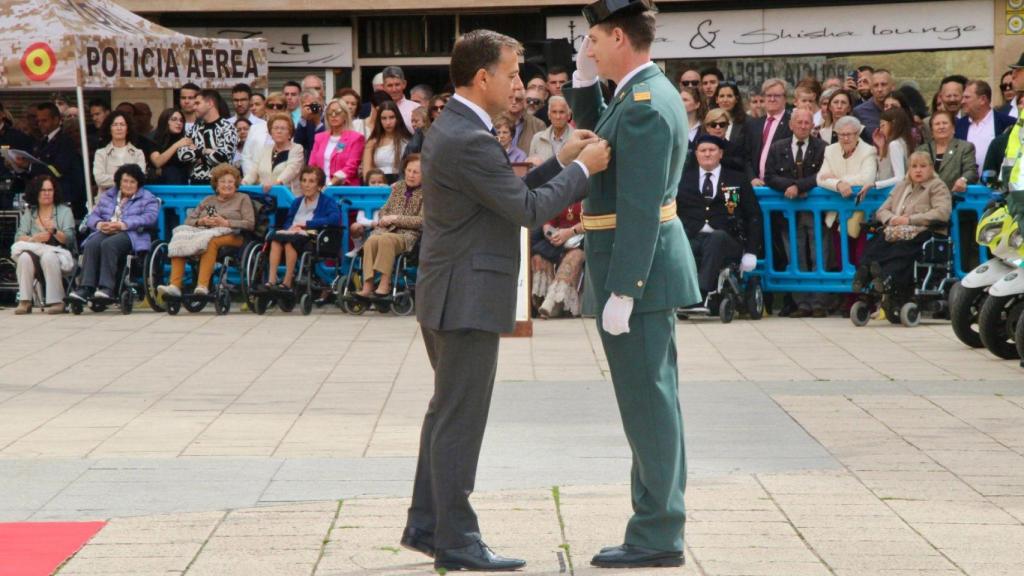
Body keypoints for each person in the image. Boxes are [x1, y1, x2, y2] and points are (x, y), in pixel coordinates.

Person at [405, 29, 608, 572]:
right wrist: (585, 170)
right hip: (464, 295)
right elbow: (523, 210)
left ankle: (428, 524)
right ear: (482, 78)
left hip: (450, 291)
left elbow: (501, 191)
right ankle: (456, 539)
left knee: (445, 413)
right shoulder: (468, 135)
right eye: (513, 73)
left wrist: (560, 159)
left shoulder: (458, 126)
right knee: (460, 420)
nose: (519, 84)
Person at [565, 1, 699, 568]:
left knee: (648, 406)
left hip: (636, 275)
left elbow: (641, 205)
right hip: (638, 269)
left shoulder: (644, 103)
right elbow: (605, 134)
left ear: (620, 36)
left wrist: (624, 289)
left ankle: (657, 532)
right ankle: (656, 520)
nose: (589, 49)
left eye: (594, 40)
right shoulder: (640, 91)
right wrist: (582, 85)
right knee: (653, 402)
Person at [677, 134, 761, 304]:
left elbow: (753, 216)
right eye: (703, 150)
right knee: (680, 244)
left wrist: (751, 251)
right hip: (693, 236)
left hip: (728, 239)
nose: (707, 154)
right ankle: (682, 293)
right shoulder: (683, 180)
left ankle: (699, 294)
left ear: (721, 153)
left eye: (712, 150)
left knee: (717, 238)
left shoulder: (736, 179)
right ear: (696, 154)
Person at [852, 151, 951, 294]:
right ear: (908, 170)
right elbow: (882, 210)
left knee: (902, 247)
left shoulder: (937, 186)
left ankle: (886, 278)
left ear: (931, 168)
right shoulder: (902, 186)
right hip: (897, 229)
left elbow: (941, 212)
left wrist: (910, 219)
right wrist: (892, 219)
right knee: (875, 242)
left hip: (924, 231)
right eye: (914, 166)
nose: (918, 170)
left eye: (923, 166)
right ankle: (864, 274)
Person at [157, 164, 255, 299]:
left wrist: (226, 223)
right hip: (205, 232)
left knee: (210, 241)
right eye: (223, 181)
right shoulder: (209, 200)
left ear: (236, 183)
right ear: (216, 184)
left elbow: (249, 223)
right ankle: (175, 286)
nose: (227, 185)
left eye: (230, 182)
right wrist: (201, 221)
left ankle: (202, 286)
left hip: (234, 235)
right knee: (180, 237)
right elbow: (188, 221)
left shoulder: (243, 198)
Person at [766, 109, 828, 317]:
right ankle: (801, 302)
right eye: (799, 122)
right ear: (791, 125)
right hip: (788, 213)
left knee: (819, 254)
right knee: (796, 255)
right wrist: (791, 187)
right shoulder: (777, 147)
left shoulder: (823, 148)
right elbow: (769, 176)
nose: (803, 126)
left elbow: (824, 173)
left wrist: (801, 187)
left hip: (815, 212)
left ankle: (819, 302)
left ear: (812, 125)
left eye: (807, 122)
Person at [70, 164, 159, 303]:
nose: (128, 185)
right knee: (91, 243)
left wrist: (123, 225)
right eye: (125, 181)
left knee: (108, 244)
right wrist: (100, 224)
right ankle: (86, 287)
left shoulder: (147, 198)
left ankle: (106, 288)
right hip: (107, 230)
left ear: (138, 184)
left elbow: (150, 218)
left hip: (131, 234)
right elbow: (93, 216)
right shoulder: (109, 195)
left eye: (132, 182)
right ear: (119, 182)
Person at [817, 115, 878, 282]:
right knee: (842, 259)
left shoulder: (869, 151)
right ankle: (847, 300)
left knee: (860, 259)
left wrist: (837, 178)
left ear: (857, 134)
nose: (845, 138)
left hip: (862, 215)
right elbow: (820, 178)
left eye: (849, 134)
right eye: (841, 134)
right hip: (837, 215)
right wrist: (837, 185)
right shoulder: (830, 150)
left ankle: (864, 300)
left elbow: (867, 179)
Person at [354, 154, 424, 298]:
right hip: (387, 230)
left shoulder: (428, 192)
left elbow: (422, 221)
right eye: (408, 171)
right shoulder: (398, 187)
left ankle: (385, 284)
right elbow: (384, 210)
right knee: (372, 239)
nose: (411, 175)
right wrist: (384, 217)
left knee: (385, 239)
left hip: (408, 235)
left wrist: (396, 218)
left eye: (416, 172)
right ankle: (368, 284)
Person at [264, 166, 341, 289]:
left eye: (311, 181)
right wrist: (290, 228)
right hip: (294, 233)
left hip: (313, 238)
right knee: (275, 239)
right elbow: (289, 221)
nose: (306, 185)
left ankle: (287, 281)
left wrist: (308, 224)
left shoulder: (327, 201)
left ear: (319, 185)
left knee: (290, 242)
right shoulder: (297, 202)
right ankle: (271, 280)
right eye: (304, 181)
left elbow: (334, 219)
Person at [11, 175, 75, 314]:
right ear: (36, 192)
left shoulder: (64, 211)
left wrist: (54, 231)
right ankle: (25, 301)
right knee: (24, 257)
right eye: (42, 190)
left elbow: (69, 239)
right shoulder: (30, 212)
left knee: (48, 256)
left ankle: (57, 301)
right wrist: (35, 239)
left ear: (55, 192)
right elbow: (18, 237)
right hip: (35, 254)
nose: (46, 193)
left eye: (50, 190)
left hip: (59, 256)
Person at [15, 103, 86, 217]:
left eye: (44, 121)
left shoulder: (65, 141)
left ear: (56, 120)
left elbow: (57, 171)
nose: (40, 124)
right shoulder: (41, 142)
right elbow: (35, 169)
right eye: (38, 121)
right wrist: (18, 167)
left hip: (62, 199)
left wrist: (29, 166)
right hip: (42, 198)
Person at [530, 199, 585, 317]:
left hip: (580, 241)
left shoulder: (589, 194)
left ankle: (553, 303)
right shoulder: (562, 194)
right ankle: (540, 302)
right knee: (539, 258)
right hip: (557, 241)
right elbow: (547, 222)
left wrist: (569, 233)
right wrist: (550, 234)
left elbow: (591, 222)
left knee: (570, 261)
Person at [177, 90, 237, 185]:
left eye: (197, 103)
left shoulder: (227, 127)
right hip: (195, 183)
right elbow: (181, 154)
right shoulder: (195, 128)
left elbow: (222, 159)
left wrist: (196, 152)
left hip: (220, 185)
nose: (194, 106)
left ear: (210, 103)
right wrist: (205, 151)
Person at [955, 80, 1016, 170]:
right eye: (963, 97)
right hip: (965, 183)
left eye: (967, 97)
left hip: (997, 181)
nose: (962, 101)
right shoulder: (958, 126)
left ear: (982, 100)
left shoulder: (1007, 123)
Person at [916, 110, 977, 193]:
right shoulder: (922, 150)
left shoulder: (965, 147)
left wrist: (963, 179)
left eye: (945, 123)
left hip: (954, 196)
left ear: (953, 128)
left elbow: (971, 171)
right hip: (926, 197)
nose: (941, 127)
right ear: (932, 130)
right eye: (937, 124)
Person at [243, 113, 304, 196]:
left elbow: (291, 170)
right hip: (264, 197)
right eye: (275, 128)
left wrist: (275, 183)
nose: (279, 131)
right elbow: (253, 171)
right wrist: (243, 183)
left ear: (290, 133)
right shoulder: (265, 149)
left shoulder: (297, 149)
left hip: (288, 197)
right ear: (270, 132)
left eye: (283, 128)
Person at [746, 78, 792, 186]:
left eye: (777, 96)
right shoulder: (753, 124)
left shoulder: (792, 123)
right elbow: (746, 156)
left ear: (785, 99)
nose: (772, 99)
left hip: (780, 189)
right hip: (756, 186)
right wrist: (752, 178)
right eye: (768, 95)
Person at [309, 100, 366, 187]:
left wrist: (330, 184)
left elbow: (351, 166)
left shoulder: (356, 138)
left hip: (344, 188)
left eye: (338, 112)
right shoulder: (319, 137)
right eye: (330, 113)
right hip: (319, 188)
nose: (333, 116)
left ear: (345, 115)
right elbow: (312, 165)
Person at [93, 111, 146, 191]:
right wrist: (128, 180)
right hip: (107, 201)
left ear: (127, 129)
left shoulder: (138, 153)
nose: (119, 128)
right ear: (109, 129)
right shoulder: (101, 153)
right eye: (115, 125)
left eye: (122, 124)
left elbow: (139, 178)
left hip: (132, 201)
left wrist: (113, 178)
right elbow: (99, 179)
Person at [865, 108, 915, 193]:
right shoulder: (903, 142)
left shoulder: (894, 144)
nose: (881, 130)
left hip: (893, 192)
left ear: (893, 124)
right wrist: (881, 148)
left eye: (883, 125)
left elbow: (899, 177)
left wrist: (875, 184)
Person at [362, 100, 411, 184]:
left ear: (398, 118)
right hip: (378, 186)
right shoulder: (372, 142)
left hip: (402, 184)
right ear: (379, 120)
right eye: (384, 118)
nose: (388, 122)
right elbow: (367, 172)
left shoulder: (407, 140)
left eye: (391, 117)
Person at [241, 92, 284, 179]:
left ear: (284, 109)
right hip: (255, 181)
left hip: (280, 182)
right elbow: (246, 156)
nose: (274, 108)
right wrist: (252, 178)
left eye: (279, 106)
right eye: (271, 106)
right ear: (266, 109)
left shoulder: (291, 130)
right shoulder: (254, 128)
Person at [697, 108, 748, 176]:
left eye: (722, 124)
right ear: (707, 128)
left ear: (727, 127)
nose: (718, 127)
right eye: (713, 124)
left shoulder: (736, 149)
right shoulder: (698, 148)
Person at [149, 108, 191, 185]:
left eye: (181, 120)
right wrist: (176, 145)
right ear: (165, 121)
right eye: (174, 119)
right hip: (160, 183)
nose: (179, 123)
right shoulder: (154, 137)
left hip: (183, 182)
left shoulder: (184, 138)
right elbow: (157, 162)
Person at [528, 96, 574, 163]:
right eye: (554, 112)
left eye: (561, 112)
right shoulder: (537, 139)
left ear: (569, 115)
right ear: (549, 115)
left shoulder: (577, 138)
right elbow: (530, 168)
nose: (558, 117)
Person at [853, 69, 893, 140]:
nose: (879, 89)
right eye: (875, 85)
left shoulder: (900, 107)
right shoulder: (859, 112)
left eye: (883, 84)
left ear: (892, 87)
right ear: (871, 89)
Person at [507, 85, 546, 154]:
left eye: (518, 99)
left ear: (525, 102)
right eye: (510, 98)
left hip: (528, 163)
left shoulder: (538, 125)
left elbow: (542, 152)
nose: (514, 102)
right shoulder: (496, 121)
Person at [382, 66, 420, 133]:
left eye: (397, 84)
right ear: (383, 87)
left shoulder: (416, 108)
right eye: (390, 85)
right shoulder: (378, 110)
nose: (394, 89)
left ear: (404, 84)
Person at [293, 90, 325, 164]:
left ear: (320, 101)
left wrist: (317, 121)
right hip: (311, 163)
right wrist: (303, 119)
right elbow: (298, 144)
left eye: (313, 104)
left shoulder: (328, 116)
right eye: (307, 106)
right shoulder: (305, 121)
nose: (311, 108)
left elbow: (322, 143)